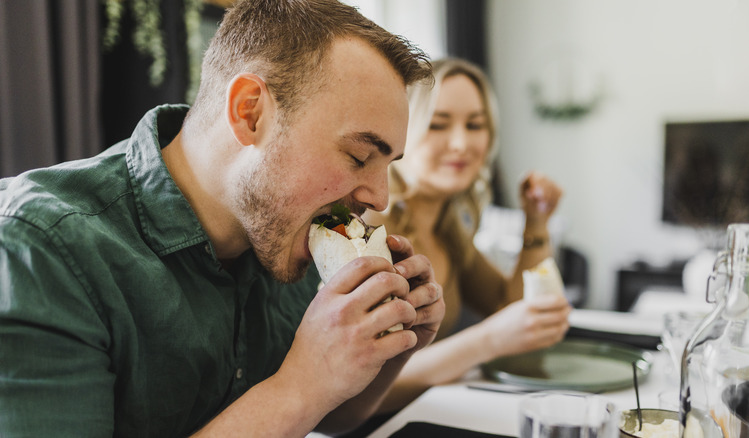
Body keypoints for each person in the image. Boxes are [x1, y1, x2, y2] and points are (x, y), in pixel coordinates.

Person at [0, 1, 445, 436]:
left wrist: (393, 347)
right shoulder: (40, 248)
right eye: (358, 155)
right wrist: (302, 384)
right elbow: (303, 398)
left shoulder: (283, 231)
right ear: (249, 112)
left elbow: (332, 418)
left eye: (388, 165)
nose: (380, 198)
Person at [363, 58, 571, 412]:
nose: (460, 143)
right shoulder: (371, 233)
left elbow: (513, 306)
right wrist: (487, 340)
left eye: (475, 124)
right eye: (439, 124)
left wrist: (536, 223)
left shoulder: (451, 229)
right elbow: (363, 392)